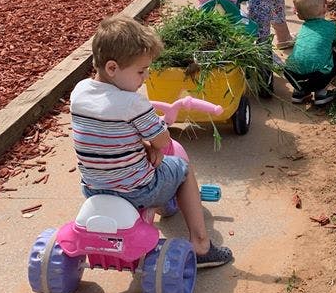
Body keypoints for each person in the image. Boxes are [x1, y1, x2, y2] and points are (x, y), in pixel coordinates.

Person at [70, 15, 233, 269]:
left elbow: (106, 135)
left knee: (147, 166)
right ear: (112, 68)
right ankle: (201, 244)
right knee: (181, 168)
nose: (145, 77)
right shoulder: (134, 103)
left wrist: (142, 147)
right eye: (140, 71)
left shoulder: (79, 93)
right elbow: (163, 138)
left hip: (93, 188)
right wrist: (154, 146)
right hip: (136, 189)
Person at [284, 0, 336, 106]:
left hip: (292, 74)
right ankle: (321, 93)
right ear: (325, 7)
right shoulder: (331, 27)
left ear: (298, 15)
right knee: (334, 55)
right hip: (317, 76)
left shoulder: (303, 29)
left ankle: (299, 92)